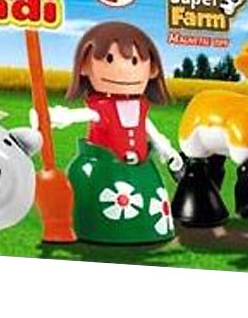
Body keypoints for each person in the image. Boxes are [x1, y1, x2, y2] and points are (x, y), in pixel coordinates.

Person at [48, 22, 182, 244]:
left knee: (148, 201)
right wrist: (59, 117)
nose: (125, 70)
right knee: (101, 200)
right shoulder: (100, 108)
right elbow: (83, 115)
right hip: (103, 168)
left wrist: (166, 151)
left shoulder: (140, 107)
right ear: (84, 66)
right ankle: (96, 229)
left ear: (152, 70)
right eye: (109, 59)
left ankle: (150, 229)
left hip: (141, 168)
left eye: (135, 61)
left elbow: (150, 130)